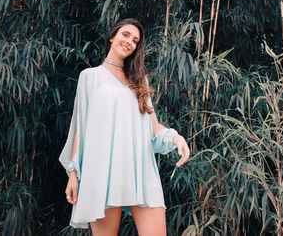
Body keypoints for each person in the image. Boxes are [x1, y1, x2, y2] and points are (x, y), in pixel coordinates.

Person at [59, 18, 190, 236]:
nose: (130, 42)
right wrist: (72, 173)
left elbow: (152, 127)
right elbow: (79, 131)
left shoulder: (140, 82)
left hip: (141, 171)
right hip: (103, 174)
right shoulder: (90, 77)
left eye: (135, 40)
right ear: (113, 36)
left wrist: (177, 139)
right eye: (126, 35)